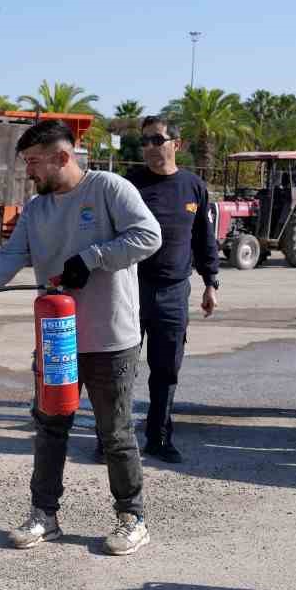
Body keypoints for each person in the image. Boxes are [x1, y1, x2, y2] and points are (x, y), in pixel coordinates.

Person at [0, 120, 162, 555]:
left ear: (62, 157)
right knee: (49, 427)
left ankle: (132, 517)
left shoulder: (109, 189)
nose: (29, 171)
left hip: (110, 339)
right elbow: (11, 256)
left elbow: (149, 236)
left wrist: (92, 258)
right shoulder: (37, 209)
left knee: (115, 432)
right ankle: (44, 515)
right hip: (57, 339)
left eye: (33, 162)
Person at [125, 116, 219, 463]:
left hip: (174, 292)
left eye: (157, 140)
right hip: (129, 290)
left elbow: (204, 240)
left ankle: (159, 437)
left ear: (176, 144)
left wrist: (211, 282)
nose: (150, 147)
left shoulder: (194, 187)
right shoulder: (128, 185)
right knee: (121, 367)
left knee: (166, 370)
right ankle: (112, 440)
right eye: (145, 141)